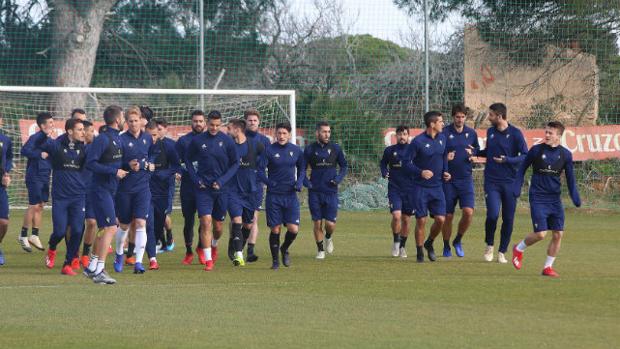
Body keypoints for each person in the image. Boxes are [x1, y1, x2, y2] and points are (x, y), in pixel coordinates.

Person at [511, 121, 580, 277]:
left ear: (559, 136)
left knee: (558, 234)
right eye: (546, 132)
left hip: (555, 199)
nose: (547, 135)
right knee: (541, 234)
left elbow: (571, 179)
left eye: (551, 133)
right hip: (538, 197)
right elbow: (522, 169)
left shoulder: (566, 155)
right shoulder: (536, 150)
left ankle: (547, 267)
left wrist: (574, 195)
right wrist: (517, 186)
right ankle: (518, 248)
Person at [185, 110, 239, 271]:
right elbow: (187, 159)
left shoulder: (227, 141)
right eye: (211, 125)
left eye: (217, 125)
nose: (214, 128)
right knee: (205, 222)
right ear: (207, 124)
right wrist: (196, 179)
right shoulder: (197, 140)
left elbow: (235, 163)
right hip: (203, 190)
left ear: (221, 124)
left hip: (222, 190)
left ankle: (214, 244)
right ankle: (208, 260)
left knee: (218, 226)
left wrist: (222, 181)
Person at [477, 103, 528, 264]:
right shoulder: (490, 132)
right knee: (492, 215)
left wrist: (508, 160)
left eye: (491, 115)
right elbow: (489, 152)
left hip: (510, 183)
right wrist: (475, 152)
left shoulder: (515, 134)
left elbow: (525, 155)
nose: (488, 118)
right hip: (492, 181)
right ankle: (489, 245)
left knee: (508, 218)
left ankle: (502, 251)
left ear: (499, 116)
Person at [83, 105, 128, 284]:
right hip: (100, 190)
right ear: (117, 120)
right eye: (123, 116)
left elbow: (114, 162)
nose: (124, 119)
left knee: (106, 228)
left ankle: (92, 266)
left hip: (110, 190)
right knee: (111, 227)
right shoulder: (102, 139)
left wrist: (127, 166)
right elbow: (91, 163)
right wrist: (113, 172)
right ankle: (100, 270)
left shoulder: (117, 139)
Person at [41, 119, 88, 275]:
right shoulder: (56, 145)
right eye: (80, 129)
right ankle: (52, 247)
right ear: (69, 131)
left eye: (84, 129)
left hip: (79, 197)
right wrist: (43, 134)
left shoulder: (85, 149)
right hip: (61, 197)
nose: (83, 132)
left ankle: (68, 263)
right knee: (60, 232)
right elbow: (32, 147)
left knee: (76, 230)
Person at [403, 111, 449, 263]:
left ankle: (429, 242)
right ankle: (419, 252)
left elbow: (443, 157)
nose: (443, 124)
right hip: (420, 187)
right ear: (432, 124)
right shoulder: (418, 141)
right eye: (440, 121)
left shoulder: (442, 139)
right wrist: (420, 172)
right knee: (421, 220)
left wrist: (446, 171)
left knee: (441, 219)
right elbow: (406, 163)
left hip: (437, 187)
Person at [113, 107, 154, 274]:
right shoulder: (121, 139)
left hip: (143, 188)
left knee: (141, 223)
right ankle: (119, 254)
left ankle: (138, 262)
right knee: (123, 225)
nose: (134, 123)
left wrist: (150, 164)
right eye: (130, 121)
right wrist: (127, 165)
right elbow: (115, 163)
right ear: (126, 123)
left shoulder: (147, 138)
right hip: (125, 189)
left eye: (136, 120)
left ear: (141, 121)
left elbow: (152, 156)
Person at [259, 122, 305, 270]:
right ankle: (275, 262)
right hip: (274, 197)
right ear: (275, 134)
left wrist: (299, 182)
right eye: (279, 133)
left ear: (289, 134)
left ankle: (284, 249)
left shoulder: (296, 150)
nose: (281, 136)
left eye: (284, 133)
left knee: (293, 229)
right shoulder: (269, 151)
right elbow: (260, 171)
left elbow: (302, 168)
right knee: (275, 229)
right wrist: (268, 182)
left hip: (290, 195)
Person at [304, 121, 347, 259]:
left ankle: (328, 237)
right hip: (315, 192)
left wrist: (338, 179)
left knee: (330, 224)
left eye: (329, 131)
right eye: (324, 131)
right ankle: (320, 250)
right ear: (317, 133)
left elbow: (344, 166)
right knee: (317, 222)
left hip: (331, 191)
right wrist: (307, 183)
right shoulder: (310, 149)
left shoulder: (336, 148)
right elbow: (301, 169)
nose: (327, 134)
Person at [441, 104, 480, 257]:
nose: (460, 119)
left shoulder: (471, 133)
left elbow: (476, 150)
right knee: (448, 216)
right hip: (449, 180)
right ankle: (446, 246)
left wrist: (473, 154)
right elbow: (437, 153)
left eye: (463, 117)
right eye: (457, 117)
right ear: (453, 117)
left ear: (465, 117)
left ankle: (458, 240)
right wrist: (445, 158)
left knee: (469, 212)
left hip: (465, 179)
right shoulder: (444, 133)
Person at [226, 118, 265, 266]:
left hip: (251, 192)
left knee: (248, 225)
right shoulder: (229, 147)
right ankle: (239, 255)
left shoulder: (256, 145)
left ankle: (236, 244)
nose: (227, 131)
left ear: (237, 130)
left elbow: (267, 160)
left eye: (229, 128)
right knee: (237, 220)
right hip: (233, 191)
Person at [146, 118, 180, 270]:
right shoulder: (141, 146)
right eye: (152, 134)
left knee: (158, 225)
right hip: (144, 191)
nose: (154, 136)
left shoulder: (169, 146)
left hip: (162, 191)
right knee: (147, 224)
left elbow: (176, 166)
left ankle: (160, 242)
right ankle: (151, 258)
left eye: (157, 132)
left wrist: (165, 173)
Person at [18, 112, 55, 252]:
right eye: (50, 123)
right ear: (42, 125)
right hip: (34, 176)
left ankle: (34, 235)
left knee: (40, 206)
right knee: (33, 205)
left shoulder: (49, 139)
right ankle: (23, 235)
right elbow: (24, 150)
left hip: (45, 175)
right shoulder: (36, 137)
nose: (52, 125)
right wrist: (39, 154)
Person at [176, 110, 206, 265]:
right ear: (191, 122)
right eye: (195, 121)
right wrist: (178, 171)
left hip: (204, 188)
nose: (198, 124)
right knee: (188, 221)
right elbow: (176, 161)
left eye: (201, 121)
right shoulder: (183, 141)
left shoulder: (211, 140)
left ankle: (201, 248)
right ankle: (188, 251)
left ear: (205, 122)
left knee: (205, 220)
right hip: (188, 186)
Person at [380, 125, 413, 258]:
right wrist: (384, 172)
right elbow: (383, 163)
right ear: (396, 136)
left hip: (410, 189)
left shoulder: (413, 150)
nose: (402, 137)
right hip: (394, 188)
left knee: (406, 219)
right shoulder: (389, 151)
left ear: (408, 136)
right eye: (399, 134)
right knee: (396, 216)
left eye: (404, 134)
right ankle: (396, 241)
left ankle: (403, 246)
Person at [243, 109, 271, 262]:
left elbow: (268, 161)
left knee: (253, 218)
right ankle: (235, 243)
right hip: (239, 184)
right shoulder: (239, 138)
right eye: (250, 120)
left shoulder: (264, 141)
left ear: (259, 122)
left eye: (255, 120)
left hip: (256, 184)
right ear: (245, 122)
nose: (252, 122)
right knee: (237, 219)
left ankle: (250, 251)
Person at [80, 120, 97, 268]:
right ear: (83, 132)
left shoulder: (95, 147)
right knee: (76, 225)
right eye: (91, 131)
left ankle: (85, 254)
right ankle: (72, 254)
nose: (93, 134)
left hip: (92, 190)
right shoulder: (75, 148)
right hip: (76, 191)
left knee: (92, 222)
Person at [0, 116, 13, 266]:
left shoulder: (6, 139)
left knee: (3, 222)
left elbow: (9, 158)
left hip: (1, 186)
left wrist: (6, 173)